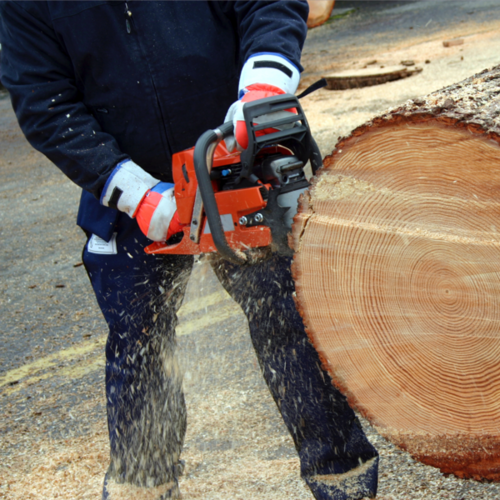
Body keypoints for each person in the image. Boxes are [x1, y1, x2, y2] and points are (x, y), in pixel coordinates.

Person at [0, 2, 379, 499]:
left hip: (236, 164)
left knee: (288, 321)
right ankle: (144, 489)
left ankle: (343, 481)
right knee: (140, 345)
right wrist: (133, 192)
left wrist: (263, 87)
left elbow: (270, 5)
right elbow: (44, 101)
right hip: (125, 184)